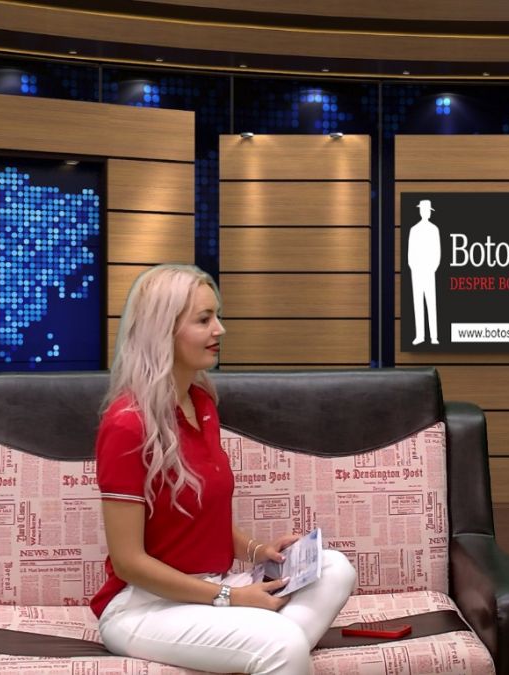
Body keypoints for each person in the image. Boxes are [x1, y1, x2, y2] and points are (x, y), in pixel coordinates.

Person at [91, 264, 356, 674]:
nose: (220, 329)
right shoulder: (127, 424)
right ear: (163, 330)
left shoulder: (201, 403)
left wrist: (257, 551)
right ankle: (270, 652)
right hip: (143, 605)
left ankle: (254, 655)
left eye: (216, 316)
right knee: (283, 644)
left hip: (210, 588)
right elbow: (129, 562)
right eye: (203, 320)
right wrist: (230, 598)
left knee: (335, 568)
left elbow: (201, 516)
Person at [408, 199, 442, 345]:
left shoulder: (434, 229)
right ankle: (420, 336)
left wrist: (432, 267)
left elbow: (437, 251)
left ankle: (434, 336)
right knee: (418, 304)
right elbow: (410, 253)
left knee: (431, 303)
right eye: (423, 209)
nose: (425, 212)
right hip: (416, 271)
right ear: (420, 211)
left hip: (429, 270)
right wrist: (414, 267)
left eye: (427, 210)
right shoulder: (414, 230)